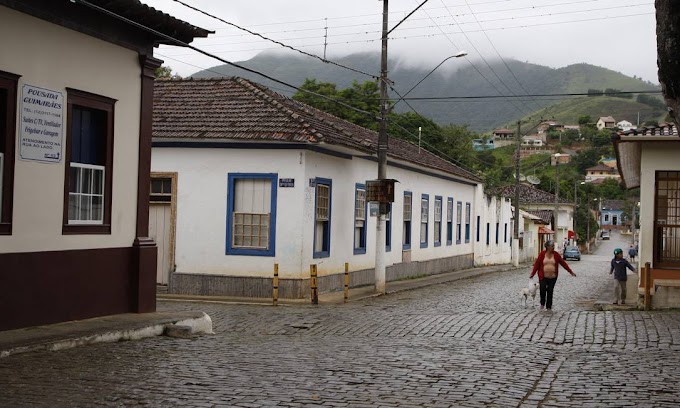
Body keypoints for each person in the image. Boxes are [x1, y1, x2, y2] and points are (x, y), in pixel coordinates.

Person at [530, 240, 577, 311]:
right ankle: (542, 303)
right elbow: (537, 264)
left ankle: (549, 306)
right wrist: (532, 274)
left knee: (550, 290)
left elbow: (563, 263)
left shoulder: (556, 255)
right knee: (542, 290)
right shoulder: (542, 254)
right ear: (548, 247)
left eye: (553, 246)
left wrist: (571, 272)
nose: (553, 248)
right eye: (552, 246)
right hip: (543, 276)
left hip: (553, 277)